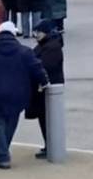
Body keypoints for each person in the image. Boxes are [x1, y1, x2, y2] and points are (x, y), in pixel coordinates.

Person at [0, 21, 49, 169]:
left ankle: (2, 155)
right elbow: (37, 69)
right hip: (18, 95)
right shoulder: (25, 52)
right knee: (10, 123)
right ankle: (1, 153)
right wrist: (44, 81)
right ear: (14, 34)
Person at [26, 20, 65, 159]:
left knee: (48, 118)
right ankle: (49, 144)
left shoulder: (52, 47)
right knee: (44, 118)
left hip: (49, 89)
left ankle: (52, 145)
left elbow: (46, 66)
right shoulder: (46, 45)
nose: (36, 35)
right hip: (44, 89)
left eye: (39, 32)